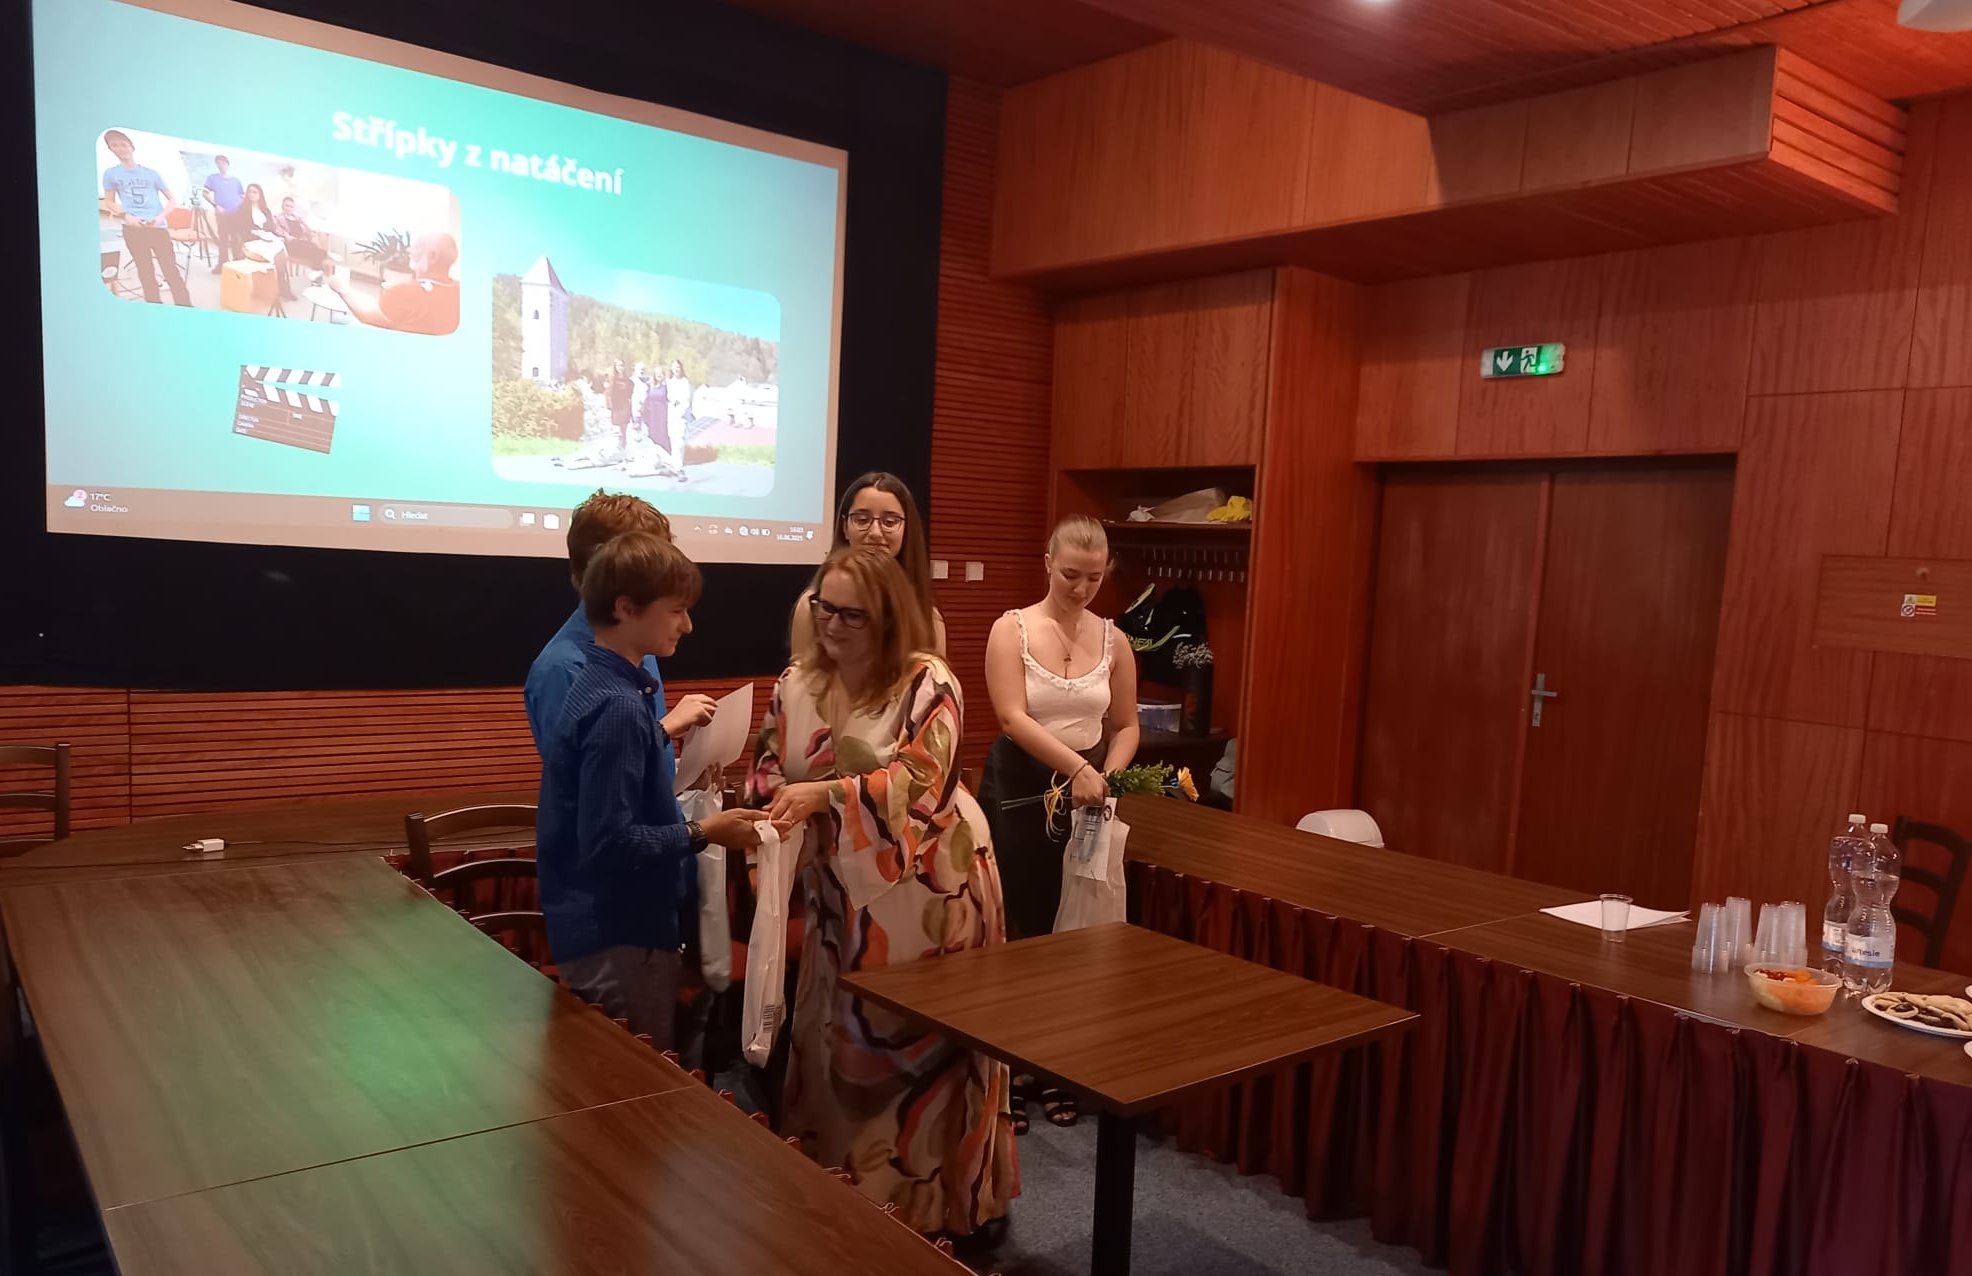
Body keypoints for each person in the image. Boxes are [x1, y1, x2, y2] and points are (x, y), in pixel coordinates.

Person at [750, 547, 1017, 1242]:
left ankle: (930, 1215)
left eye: (853, 615)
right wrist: (773, 816)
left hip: (930, 894)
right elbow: (768, 770)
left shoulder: (928, 682)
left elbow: (920, 784)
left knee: (921, 1057)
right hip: (838, 900)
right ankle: (838, 1199)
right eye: (824, 607)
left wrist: (824, 797)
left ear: (889, 618)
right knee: (834, 1044)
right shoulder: (797, 683)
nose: (832, 625)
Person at [537, 531, 770, 1046]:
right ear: (626, 608)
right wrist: (707, 830)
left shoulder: (603, 683)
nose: (688, 625)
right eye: (676, 611)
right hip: (620, 934)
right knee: (637, 1079)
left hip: (606, 930)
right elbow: (609, 843)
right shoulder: (618, 706)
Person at [979, 514, 1138, 1132]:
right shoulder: (1012, 628)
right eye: (1071, 574)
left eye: (1094, 578)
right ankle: (1008, 1070)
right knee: (1022, 926)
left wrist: (1106, 777)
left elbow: (1125, 724)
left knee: (1074, 926)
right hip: (1022, 785)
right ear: (1047, 563)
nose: (1081, 588)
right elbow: (1012, 717)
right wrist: (1077, 768)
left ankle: (1055, 1062)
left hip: (1088, 789)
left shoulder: (1115, 639)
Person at [525, 489, 716, 755]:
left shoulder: (637, 642)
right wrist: (667, 727)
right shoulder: (561, 668)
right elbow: (585, 769)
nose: (687, 626)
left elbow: (638, 752)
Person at [788, 473, 946, 658]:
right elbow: (803, 674)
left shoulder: (927, 616)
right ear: (845, 528)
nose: (875, 533)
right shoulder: (813, 607)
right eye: (862, 520)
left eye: (890, 522)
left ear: (906, 529)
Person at [100, 130, 189, 307]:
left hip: (158, 228)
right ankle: (154, 306)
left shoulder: (151, 174)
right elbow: (109, 202)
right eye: (114, 145)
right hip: (133, 230)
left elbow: (172, 200)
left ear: (131, 146)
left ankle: (185, 306)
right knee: (145, 271)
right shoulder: (110, 174)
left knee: (170, 270)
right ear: (110, 149)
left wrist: (160, 217)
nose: (120, 148)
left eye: (123, 144)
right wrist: (127, 216)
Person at [328, 231, 460, 336]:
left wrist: (341, 290)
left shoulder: (403, 293)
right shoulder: (460, 291)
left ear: (432, 256)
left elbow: (365, 317)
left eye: (416, 247)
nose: (409, 250)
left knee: (340, 322)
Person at [201, 154, 245, 271]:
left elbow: (242, 196)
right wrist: (216, 205)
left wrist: (242, 210)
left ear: (227, 165)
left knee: (237, 240)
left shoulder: (236, 180)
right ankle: (222, 264)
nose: (221, 165)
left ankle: (238, 264)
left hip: (236, 214)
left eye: (223, 163)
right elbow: (205, 193)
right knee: (223, 240)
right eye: (219, 163)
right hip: (222, 214)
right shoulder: (212, 178)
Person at [607, 360, 634, 452]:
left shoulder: (627, 380)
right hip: (616, 407)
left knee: (624, 430)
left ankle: (624, 449)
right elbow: (608, 393)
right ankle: (616, 449)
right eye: (618, 365)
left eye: (622, 365)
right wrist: (610, 406)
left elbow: (630, 392)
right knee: (616, 430)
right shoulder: (612, 379)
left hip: (625, 406)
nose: (620, 367)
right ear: (615, 367)